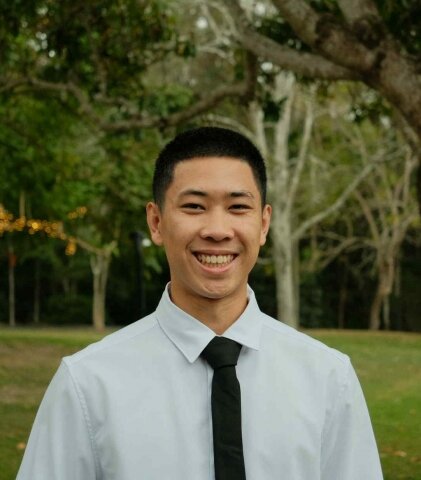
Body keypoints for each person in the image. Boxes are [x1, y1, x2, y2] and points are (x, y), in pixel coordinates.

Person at [17, 127, 383, 479]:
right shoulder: (88, 384)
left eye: (238, 207)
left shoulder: (328, 379)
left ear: (263, 223)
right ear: (156, 222)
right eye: (194, 206)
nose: (218, 230)